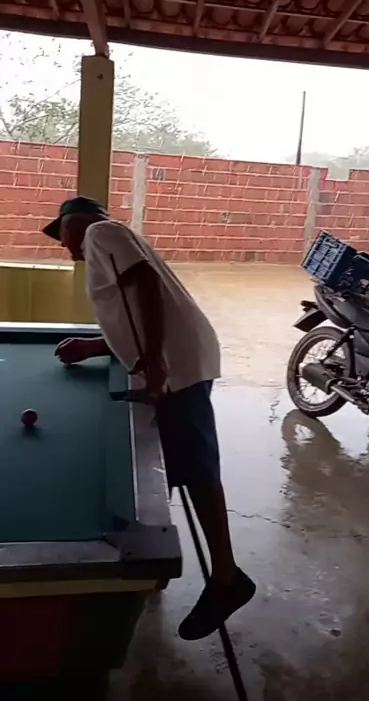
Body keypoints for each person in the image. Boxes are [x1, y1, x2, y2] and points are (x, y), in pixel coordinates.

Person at [42, 196, 255, 641]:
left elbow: (146, 284)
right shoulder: (113, 239)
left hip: (178, 363)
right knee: (178, 464)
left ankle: (227, 578)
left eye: (62, 238)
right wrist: (94, 346)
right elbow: (133, 314)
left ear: (75, 223)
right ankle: (158, 562)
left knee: (199, 471)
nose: (67, 250)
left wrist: (156, 357)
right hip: (179, 357)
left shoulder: (102, 232)